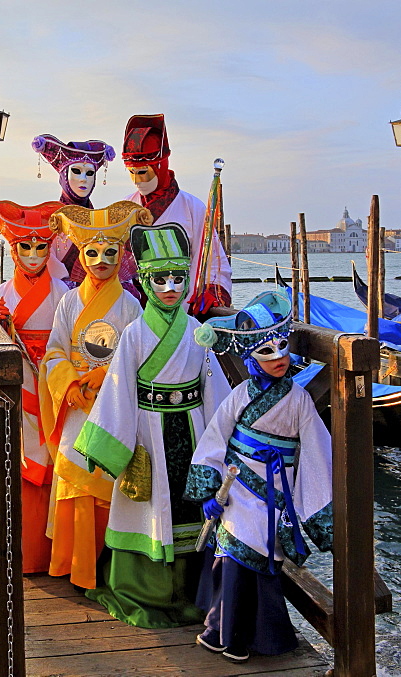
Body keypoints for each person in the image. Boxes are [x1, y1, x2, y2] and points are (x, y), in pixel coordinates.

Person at [74, 223, 232, 627]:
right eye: (160, 279)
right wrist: (109, 447)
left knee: (194, 507)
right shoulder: (134, 335)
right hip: (148, 428)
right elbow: (119, 392)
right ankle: (146, 591)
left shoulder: (199, 334)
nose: (170, 287)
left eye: (178, 278)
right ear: (145, 281)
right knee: (150, 506)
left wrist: (227, 441)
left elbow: (215, 393)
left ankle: (198, 589)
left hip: (194, 431)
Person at [184, 291, 333, 662]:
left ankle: (264, 637)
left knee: (264, 555)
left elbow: (317, 451)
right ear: (250, 356)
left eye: (282, 348)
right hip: (235, 489)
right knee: (233, 553)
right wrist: (208, 488)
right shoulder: (239, 395)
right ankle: (222, 632)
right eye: (267, 352)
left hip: (274, 493)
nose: (279, 357)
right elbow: (215, 438)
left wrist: (316, 510)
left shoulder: (298, 399)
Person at [39, 201, 149, 589]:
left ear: (122, 255)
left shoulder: (132, 305)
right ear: (81, 257)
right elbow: (53, 351)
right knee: (74, 474)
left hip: (111, 400)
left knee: (107, 476)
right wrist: (69, 385)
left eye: (109, 252)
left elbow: (138, 356)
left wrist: (104, 375)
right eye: (92, 252)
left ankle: (102, 566)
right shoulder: (69, 302)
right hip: (76, 403)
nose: (101, 260)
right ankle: (73, 562)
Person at [0, 200, 70, 574]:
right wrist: (0, 325)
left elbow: (70, 339)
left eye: (40, 247)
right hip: (20, 385)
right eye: (24, 247)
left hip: (55, 380)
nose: (33, 255)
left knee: (57, 457)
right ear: (13, 249)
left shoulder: (64, 292)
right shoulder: (3, 292)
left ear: (50, 249)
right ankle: (28, 552)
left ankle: (59, 552)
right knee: (22, 459)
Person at [121, 114, 232, 314]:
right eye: (132, 172)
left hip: (182, 307)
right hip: (136, 309)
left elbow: (213, 260)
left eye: (143, 172)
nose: (136, 180)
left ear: (160, 166)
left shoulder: (193, 208)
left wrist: (212, 292)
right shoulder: (126, 207)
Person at [33, 134, 142, 298]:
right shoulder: (48, 223)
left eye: (89, 173)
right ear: (63, 175)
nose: (83, 179)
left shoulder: (104, 222)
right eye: (76, 171)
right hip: (58, 302)